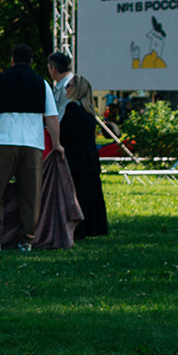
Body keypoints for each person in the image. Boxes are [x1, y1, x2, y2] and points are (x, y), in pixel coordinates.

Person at [0, 45, 60, 254]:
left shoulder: (0, 81)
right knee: (30, 196)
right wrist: (57, 144)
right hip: (33, 146)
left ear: (12, 60)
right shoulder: (42, 84)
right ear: (31, 61)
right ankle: (26, 241)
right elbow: (51, 117)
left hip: (4, 142)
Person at [59, 74, 109, 236]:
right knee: (92, 195)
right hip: (90, 157)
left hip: (76, 158)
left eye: (69, 86)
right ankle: (95, 227)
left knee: (78, 195)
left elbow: (68, 134)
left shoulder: (72, 108)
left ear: (77, 89)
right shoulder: (88, 111)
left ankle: (79, 229)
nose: (66, 89)